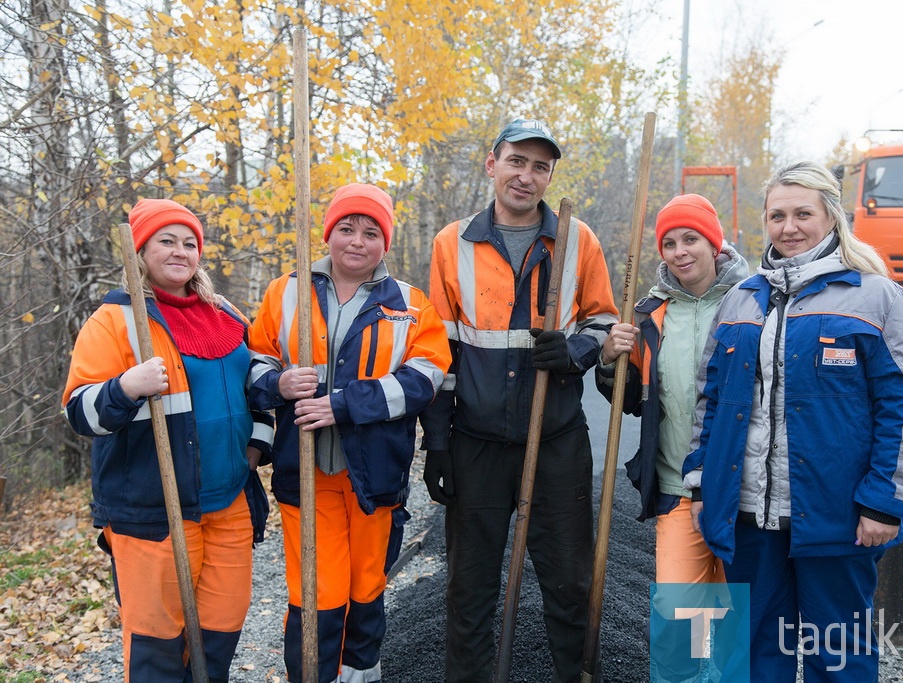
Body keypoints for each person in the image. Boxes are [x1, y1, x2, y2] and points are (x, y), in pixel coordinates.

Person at [683, 161, 903, 682]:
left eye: (802, 214)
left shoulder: (876, 296)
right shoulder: (741, 298)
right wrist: (702, 484)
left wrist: (885, 500)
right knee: (753, 655)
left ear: (831, 218)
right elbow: (710, 401)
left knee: (837, 656)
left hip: (837, 516)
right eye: (777, 215)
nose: (789, 227)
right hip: (748, 515)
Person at [419, 118, 619, 682]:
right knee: (469, 589)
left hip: (555, 441)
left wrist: (576, 349)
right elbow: (439, 352)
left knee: (570, 583)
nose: (526, 176)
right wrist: (437, 444)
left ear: (550, 176)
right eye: (516, 162)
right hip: (476, 444)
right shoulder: (451, 243)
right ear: (492, 164)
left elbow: (605, 321)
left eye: (540, 167)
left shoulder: (578, 241)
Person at [62, 198, 273, 682]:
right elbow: (79, 412)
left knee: (221, 633)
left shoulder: (226, 316)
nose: (181, 251)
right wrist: (124, 388)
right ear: (140, 250)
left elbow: (257, 391)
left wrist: (256, 448)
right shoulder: (115, 321)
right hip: (155, 509)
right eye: (166, 240)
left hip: (229, 503)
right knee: (159, 644)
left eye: (190, 243)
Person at [247, 183, 451, 683]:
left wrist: (344, 405)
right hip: (306, 471)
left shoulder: (408, 304)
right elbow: (253, 362)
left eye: (370, 232)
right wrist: (277, 381)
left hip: (375, 475)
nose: (357, 241)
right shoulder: (286, 291)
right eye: (346, 228)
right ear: (328, 233)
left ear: (385, 243)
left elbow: (426, 377)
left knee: (366, 584)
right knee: (316, 590)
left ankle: (361, 672)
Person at [597, 194, 749, 680]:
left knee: (734, 606)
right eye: (669, 242)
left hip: (740, 489)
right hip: (676, 484)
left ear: (714, 242)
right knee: (681, 606)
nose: (681, 251)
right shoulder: (652, 315)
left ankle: (723, 677)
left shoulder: (753, 301)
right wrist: (609, 360)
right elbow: (632, 399)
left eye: (691, 239)